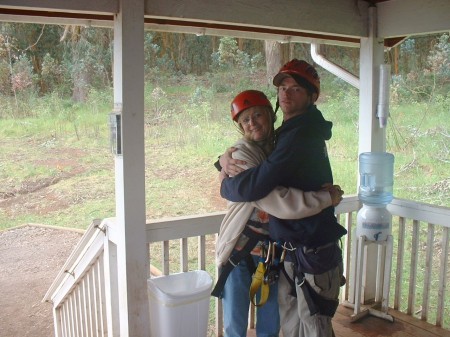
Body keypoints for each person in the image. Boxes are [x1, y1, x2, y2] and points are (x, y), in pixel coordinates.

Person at [219, 60, 347, 337]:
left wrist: (227, 186)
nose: (287, 94)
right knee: (284, 323)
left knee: (309, 324)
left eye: (296, 89)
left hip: (305, 247)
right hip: (284, 249)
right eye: (283, 88)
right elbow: (255, 170)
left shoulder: (297, 136)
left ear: (312, 97)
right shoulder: (284, 136)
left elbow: (265, 192)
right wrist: (223, 165)